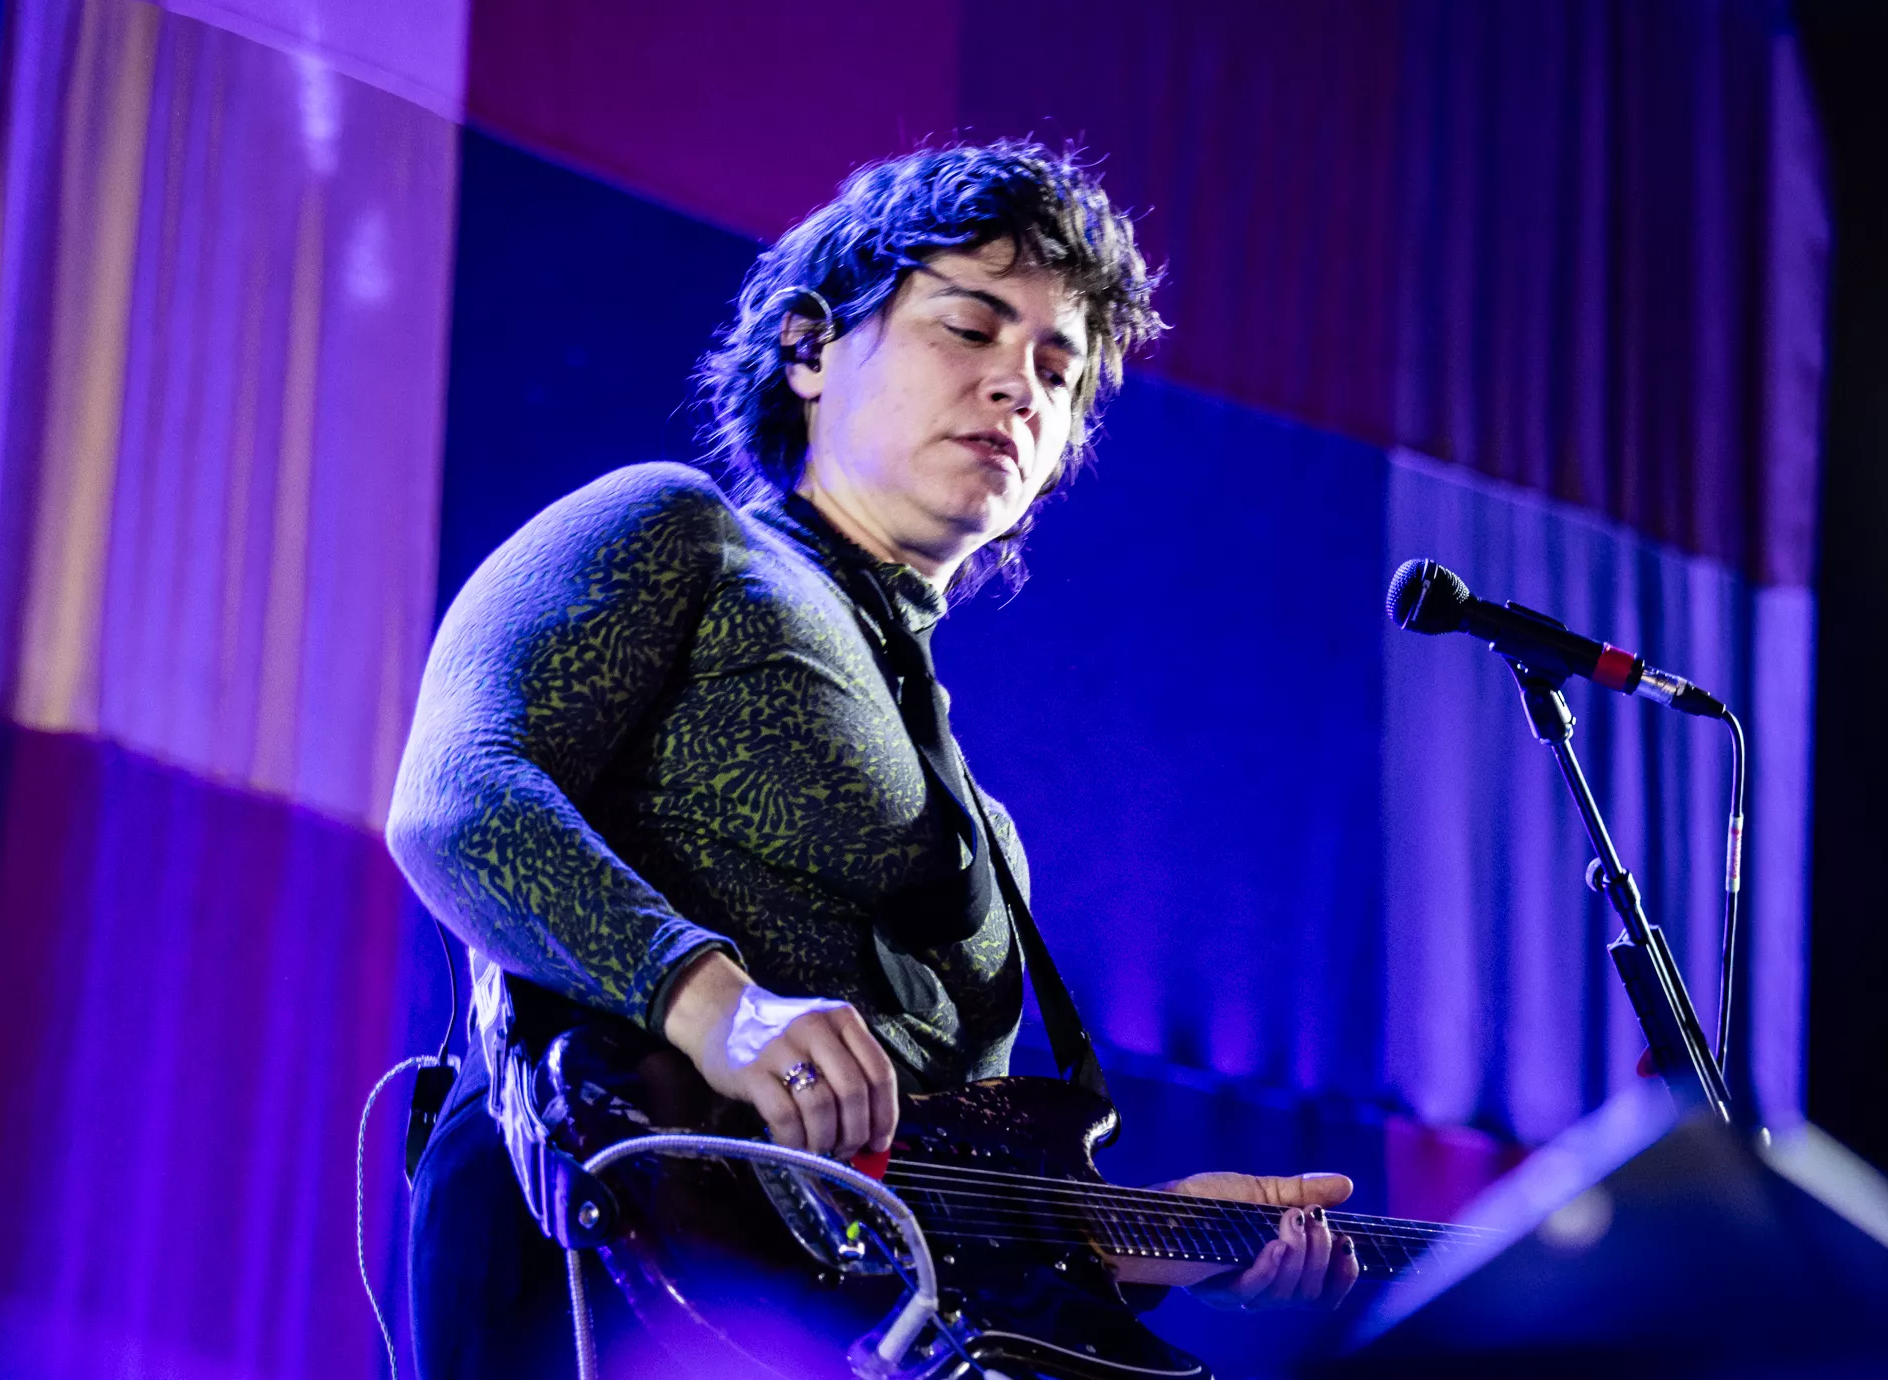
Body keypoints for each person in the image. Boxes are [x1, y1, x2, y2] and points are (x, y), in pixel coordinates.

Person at [386, 141, 1358, 1380]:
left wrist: (1133, 1240)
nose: (1018, 387)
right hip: (614, 1266)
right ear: (809, 347)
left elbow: (925, 1187)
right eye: (970, 327)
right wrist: (718, 1007)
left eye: (1057, 371)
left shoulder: (989, 833)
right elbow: (458, 799)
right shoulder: (678, 530)